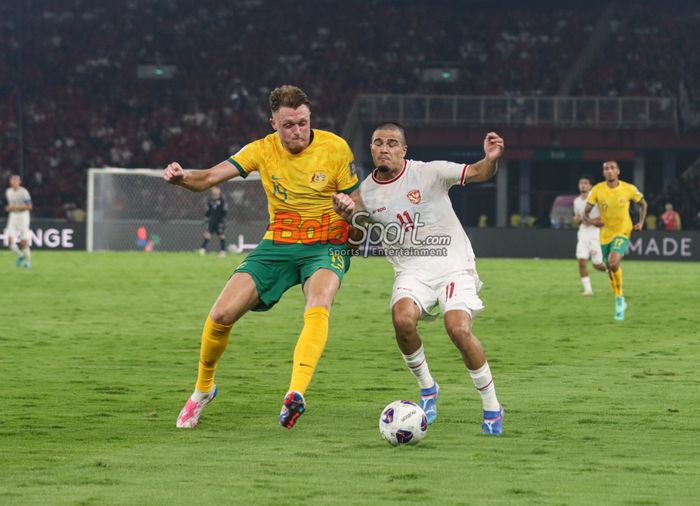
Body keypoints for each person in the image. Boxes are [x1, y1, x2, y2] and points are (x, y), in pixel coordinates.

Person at [164, 85, 360, 429]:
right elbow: (209, 176)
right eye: (288, 125)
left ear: (310, 117)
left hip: (327, 243)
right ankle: (203, 390)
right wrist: (182, 180)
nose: (297, 131)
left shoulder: (336, 148)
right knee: (222, 314)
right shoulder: (260, 150)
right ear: (273, 123)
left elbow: (358, 210)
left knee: (319, 302)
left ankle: (295, 393)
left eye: (302, 122)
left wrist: (349, 210)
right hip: (278, 244)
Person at [332, 123, 505, 435]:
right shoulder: (363, 195)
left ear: (404, 150)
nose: (384, 148)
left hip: (453, 265)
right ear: (371, 149)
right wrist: (348, 217)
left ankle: (492, 406)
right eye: (378, 143)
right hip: (411, 271)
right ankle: (428, 388)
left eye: (392, 143)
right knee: (402, 320)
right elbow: (354, 242)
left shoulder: (429, 173)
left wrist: (491, 158)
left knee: (458, 329)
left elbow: (480, 172)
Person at [584, 161, 647, 321]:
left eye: (612, 168)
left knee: (613, 263)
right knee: (611, 270)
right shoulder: (597, 189)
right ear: (603, 172)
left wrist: (640, 222)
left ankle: (619, 301)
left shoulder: (629, 188)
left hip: (623, 231)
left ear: (618, 171)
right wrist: (592, 222)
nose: (609, 171)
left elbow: (643, 204)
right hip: (605, 234)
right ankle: (620, 298)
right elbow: (585, 214)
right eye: (606, 168)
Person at [572, 175, 606, 295]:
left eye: (586, 183)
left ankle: (611, 271)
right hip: (583, 233)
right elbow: (577, 217)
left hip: (595, 233)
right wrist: (576, 219)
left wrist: (595, 220)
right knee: (581, 261)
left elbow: (604, 215)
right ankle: (588, 290)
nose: (583, 185)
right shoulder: (576, 201)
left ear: (590, 186)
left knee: (597, 264)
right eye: (581, 183)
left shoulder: (596, 198)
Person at [4, 174, 33, 269]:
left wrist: (15, 207)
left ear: (19, 182)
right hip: (13, 216)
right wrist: (9, 208)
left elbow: (29, 206)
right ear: (10, 182)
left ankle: (28, 262)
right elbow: (11, 205)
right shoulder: (8, 192)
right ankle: (21, 255)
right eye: (13, 180)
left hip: (23, 217)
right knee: (9, 241)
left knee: (23, 242)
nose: (14, 182)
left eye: (16, 180)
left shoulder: (24, 192)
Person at [198, 186, 228, 257]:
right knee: (207, 234)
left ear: (219, 190)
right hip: (212, 220)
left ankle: (223, 251)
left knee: (221, 235)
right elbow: (208, 210)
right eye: (213, 189)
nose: (214, 191)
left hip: (219, 220)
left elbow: (225, 210)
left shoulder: (222, 200)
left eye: (216, 189)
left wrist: (223, 220)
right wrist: (206, 217)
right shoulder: (210, 200)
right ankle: (202, 249)